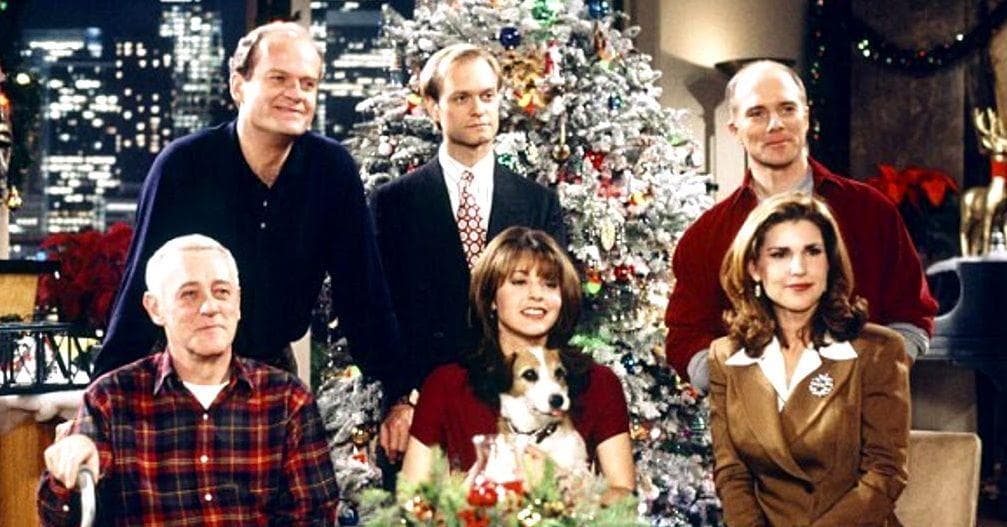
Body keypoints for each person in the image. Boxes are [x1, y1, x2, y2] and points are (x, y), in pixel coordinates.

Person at [96, 21, 398, 379]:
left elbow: (362, 292)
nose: (296, 94)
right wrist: (102, 394)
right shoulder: (182, 165)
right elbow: (138, 289)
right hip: (180, 365)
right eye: (278, 79)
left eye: (308, 84)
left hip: (271, 368)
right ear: (238, 86)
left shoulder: (331, 168)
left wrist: (397, 390)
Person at [664, 60, 936, 391]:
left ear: (806, 117)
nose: (775, 124)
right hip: (750, 416)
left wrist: (876, 377)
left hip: (862, 408)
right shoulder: (707, 234)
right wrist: (737, 386)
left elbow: (912, 314)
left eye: (787, 109)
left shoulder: (870, 211)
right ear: (734, 129)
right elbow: (685, 336)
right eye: (757, 113)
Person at [37, 234, 339, 526]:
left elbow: (313, 517)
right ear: (155, 308)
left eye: (222, 292)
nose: (210, 307)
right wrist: (66, 477)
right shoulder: (110, 399)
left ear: (238, 303)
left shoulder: (287, 399)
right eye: (189, 294)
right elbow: (62, 520)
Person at [371, 43, 566, 461]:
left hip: (518, 408)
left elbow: (558, 304)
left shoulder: (538, 203)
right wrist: (400, 398)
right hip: (423, 408)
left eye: (487, 95)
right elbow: (377, 311)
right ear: (432, 106)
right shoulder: (392, 203)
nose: (478, 109)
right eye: (461, 98)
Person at [709, 194, 909, 526]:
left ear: (830, 263)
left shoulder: (877, 351)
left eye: (812, 252)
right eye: (779, 254)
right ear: (754, 268)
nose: (798, 268)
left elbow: (885, 473)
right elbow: (732, 474)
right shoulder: (725, 357)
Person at [400, 227, 633, 501]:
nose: (536, 294)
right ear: (491, 298)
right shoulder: (447, 385)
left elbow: (624, 496)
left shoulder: (599, 383)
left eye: (549, 284)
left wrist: (565, 486)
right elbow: (411, 499)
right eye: (519, 282)